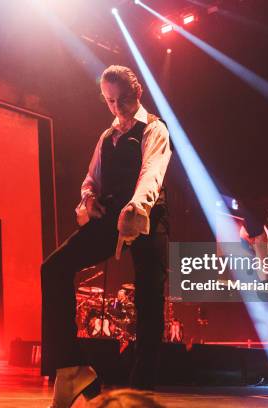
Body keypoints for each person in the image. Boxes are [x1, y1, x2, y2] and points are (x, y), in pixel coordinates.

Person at [40, 65, 172, 407]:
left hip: (146, 218)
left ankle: (140, 391)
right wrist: (89, 200)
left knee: (150, 302)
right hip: (109, 216)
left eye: (122, 100)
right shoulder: (106, 137)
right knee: (53, 268)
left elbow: (151, 175)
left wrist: (134, 209)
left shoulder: (155, 129)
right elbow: (89, 180)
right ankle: (71, 368)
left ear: (137, 92)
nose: (117, 108)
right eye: (109, 101)